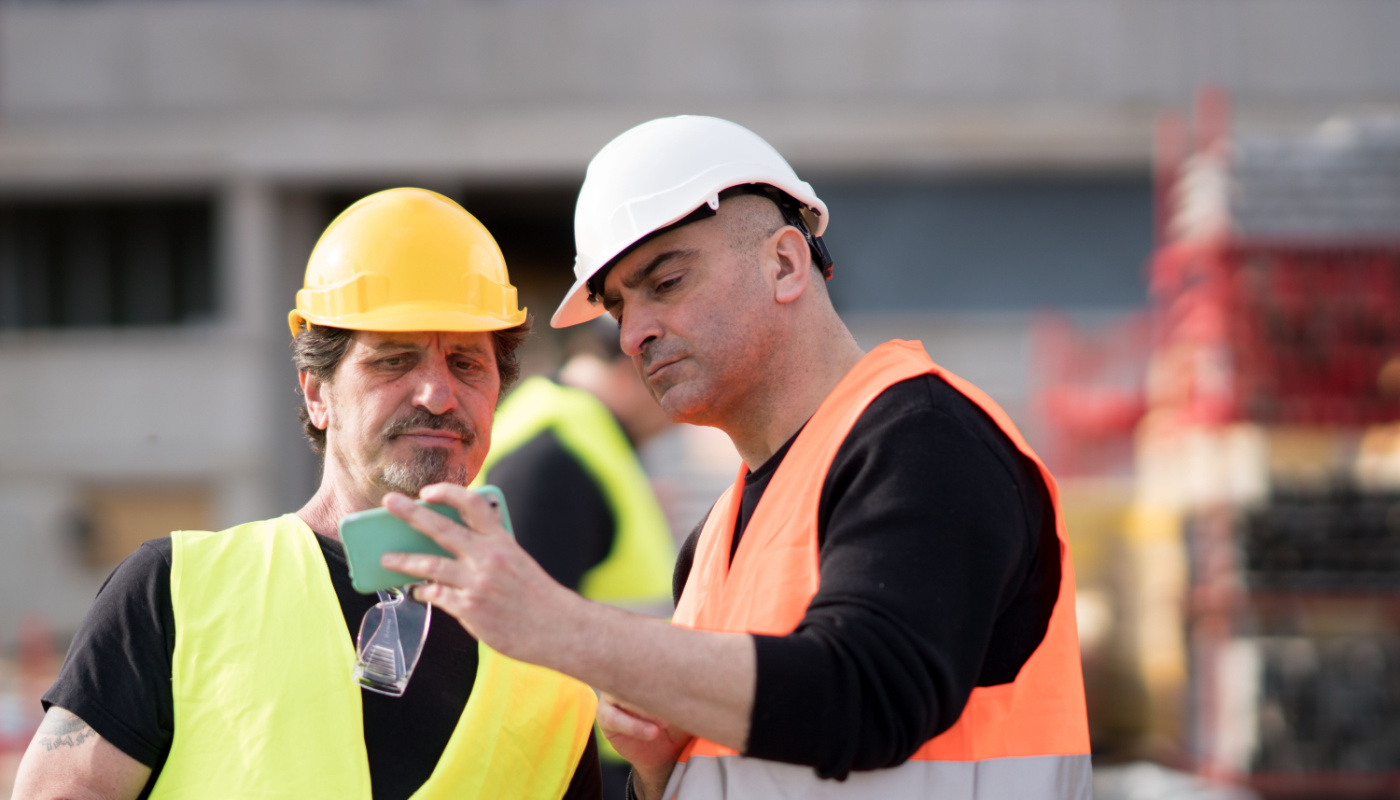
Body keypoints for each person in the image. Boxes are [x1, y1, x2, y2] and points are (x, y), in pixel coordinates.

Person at [376, 117, 1092, 800]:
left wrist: (560, 626)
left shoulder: (928, 440)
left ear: (784, 262)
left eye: (666, 283)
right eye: (618, 305)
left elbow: (867, 695)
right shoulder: (717, 537)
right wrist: (659, 770)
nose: (632, 335)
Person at [12, 188, 602, 800]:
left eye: (467, 364)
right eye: (394, 361)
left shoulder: (553, 661)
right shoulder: (176, 591)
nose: (436, 394)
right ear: (317, 394)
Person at [475, 317, 677, 797]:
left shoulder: (576, 433)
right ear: (630, 373)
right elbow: (523, 651)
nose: (675, 408)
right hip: (580, 768)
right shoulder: (556, 455)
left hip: (606, 757)